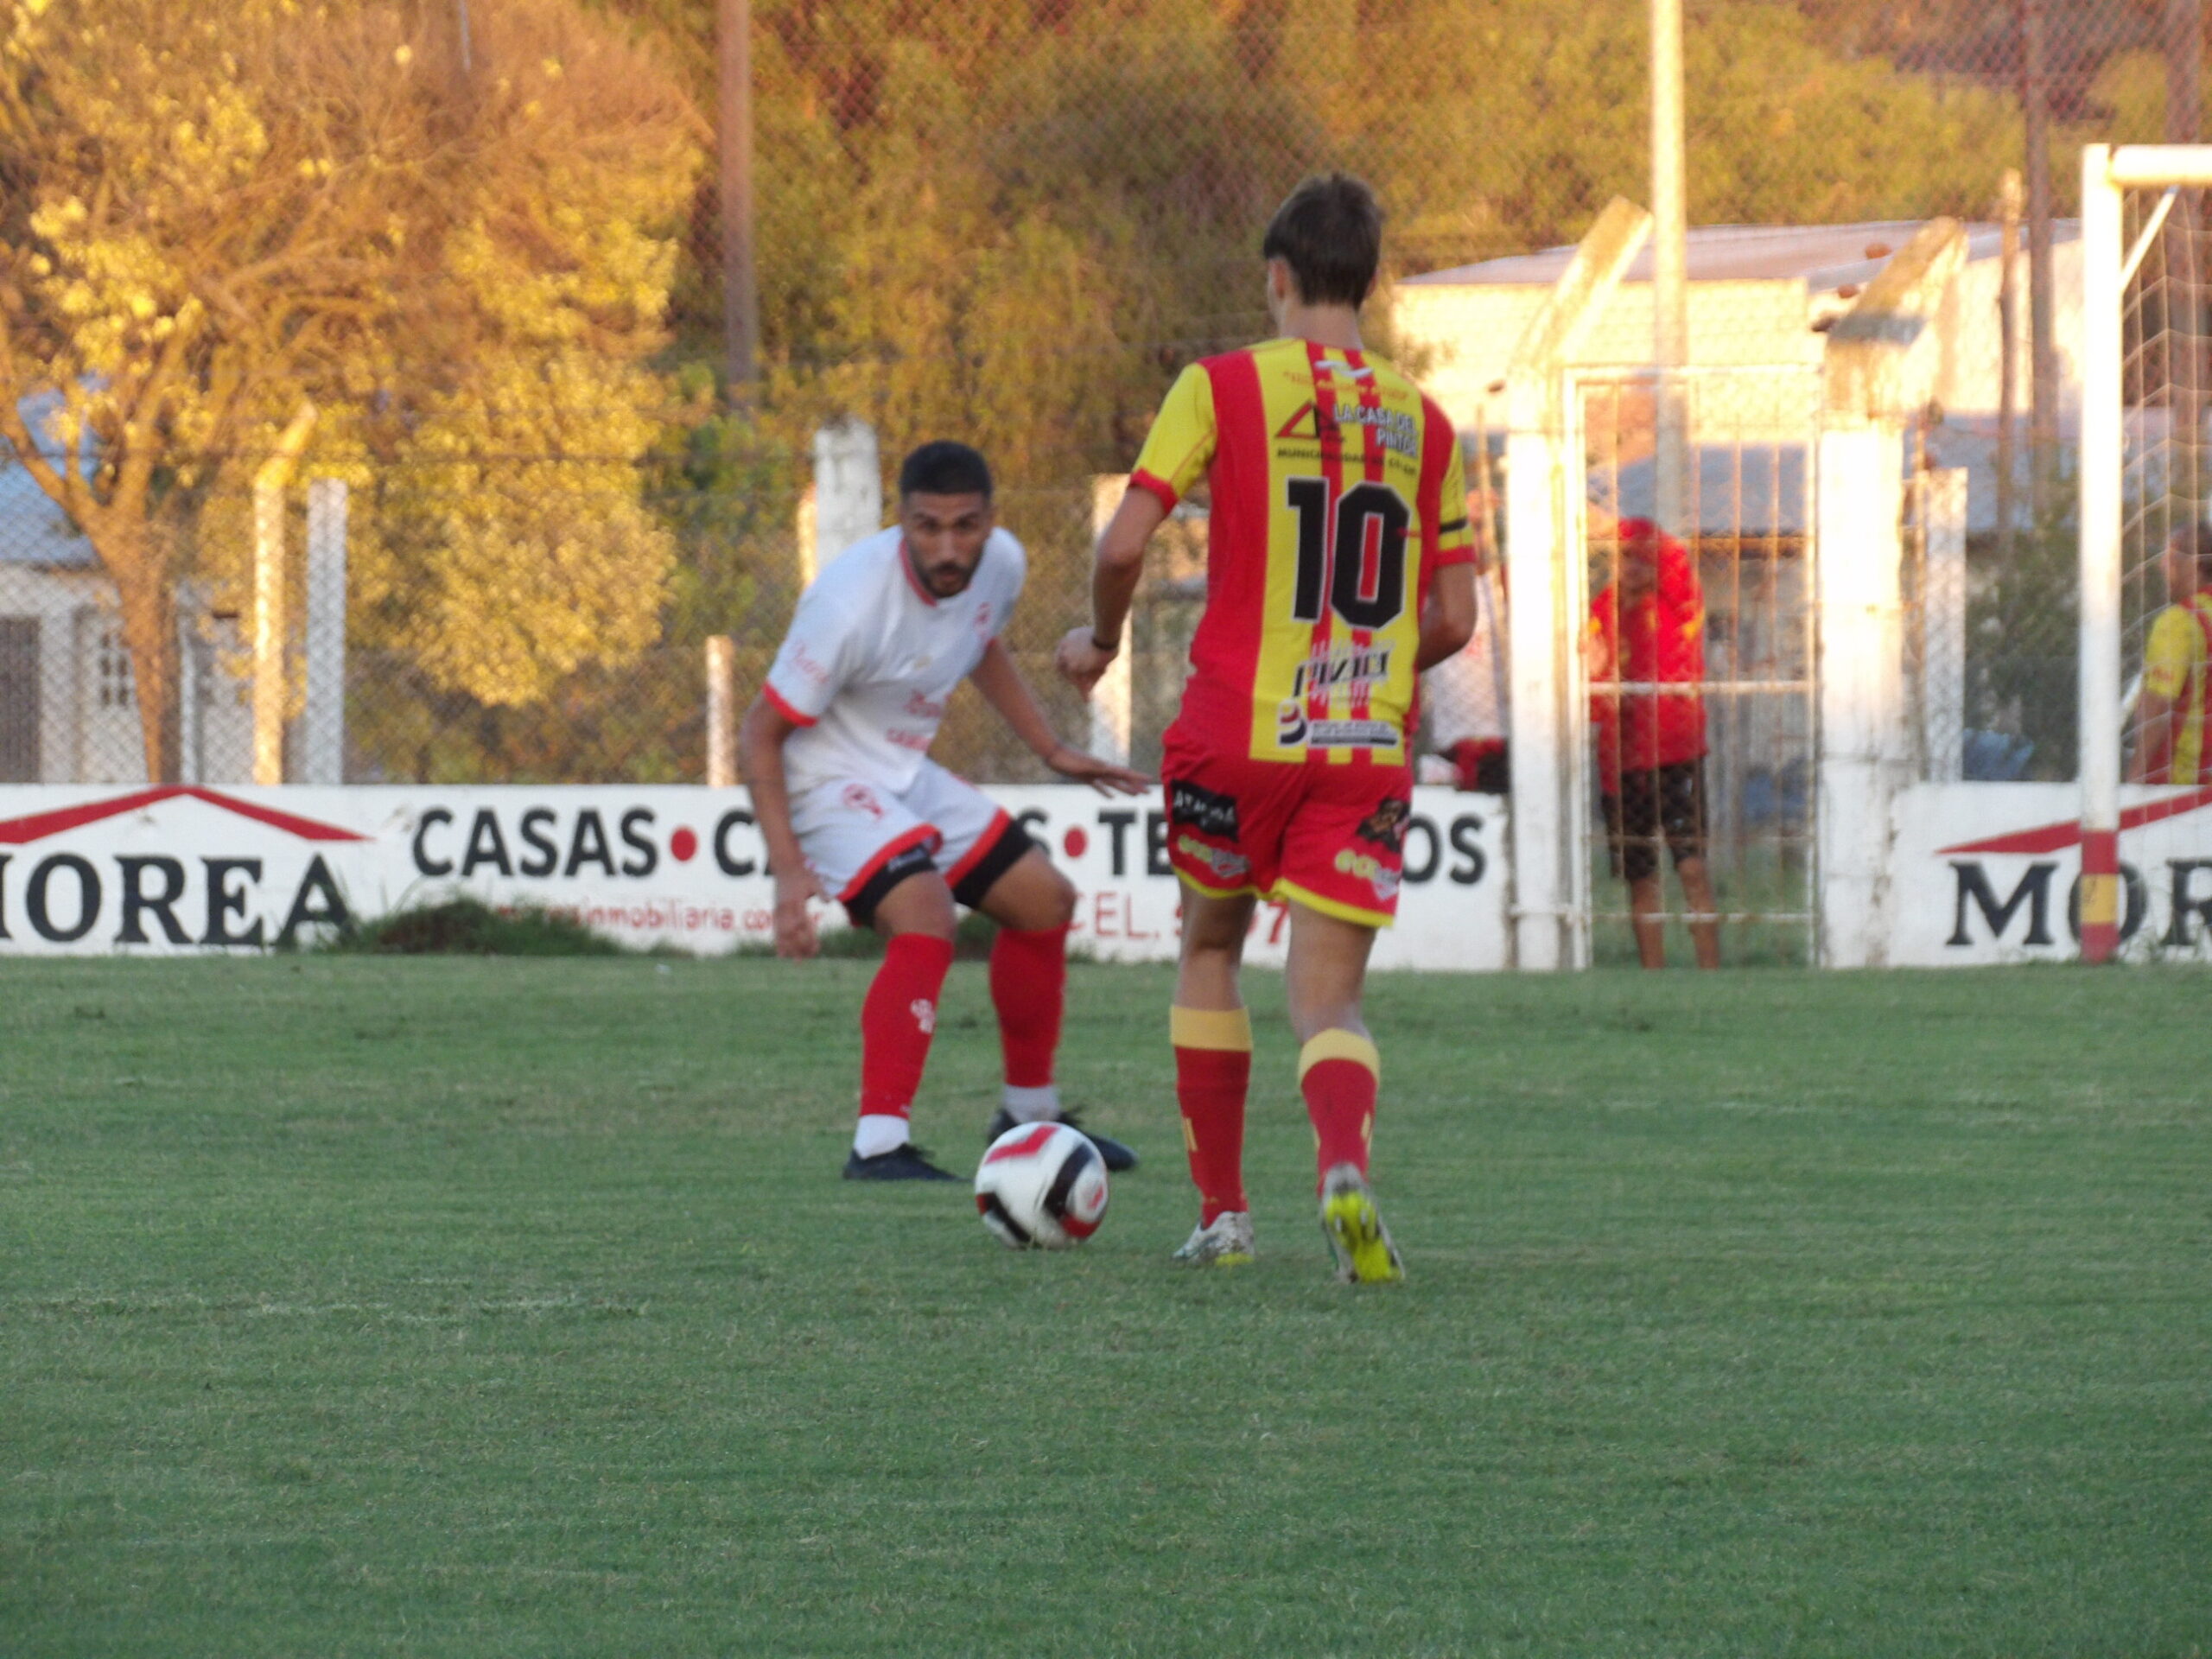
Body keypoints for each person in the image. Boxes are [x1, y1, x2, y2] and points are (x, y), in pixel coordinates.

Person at [1056, 174, 1477, 1282]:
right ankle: (1342, 1167)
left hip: (1231, 738)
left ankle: (1225, 1217)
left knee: (1210, 949)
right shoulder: (1428, 424)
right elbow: (1455, 619)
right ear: (1366, 283)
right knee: (1329, 995)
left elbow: (1121, 545)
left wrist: (1099, 639)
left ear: (1278, 277)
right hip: (1361, 749)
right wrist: (1369, 671)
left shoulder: (1219, 387)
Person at [741, 440, 1148, 1181]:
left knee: (1044, 900)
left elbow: (978, 641)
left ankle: (1028, 1115)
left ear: (991, 519)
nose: (949, 548)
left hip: (902, 771)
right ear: (901, 520)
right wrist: (788, 873)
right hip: (820, 778)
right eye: (928, 527)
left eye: (966, 526)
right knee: (926, 913)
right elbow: (759, 733)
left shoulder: (1003, 564)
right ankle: (878, 1145)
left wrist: (1052, 748)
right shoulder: (848, 602)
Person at [1587, 514, 1719, 970]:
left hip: (1676, 754)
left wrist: (1614, 524)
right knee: (1640, 877)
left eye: (1640, 557)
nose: (1631, 566)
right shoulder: (1604, 608)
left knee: (1692, 867)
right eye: (1623, 557)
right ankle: (1653, 976)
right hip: (1623, 761)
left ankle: (1711, 973)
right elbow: (1594, 685)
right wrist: (1597, 680)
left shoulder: (1677, 602)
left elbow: (1675, 555)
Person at [2126, 524, 2212, 786]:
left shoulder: (2179, 621)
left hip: (2181, 786)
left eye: (2169, 556)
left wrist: (2135, 778)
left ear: (2193, 563)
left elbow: (2158, 705)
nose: (2161, 565)